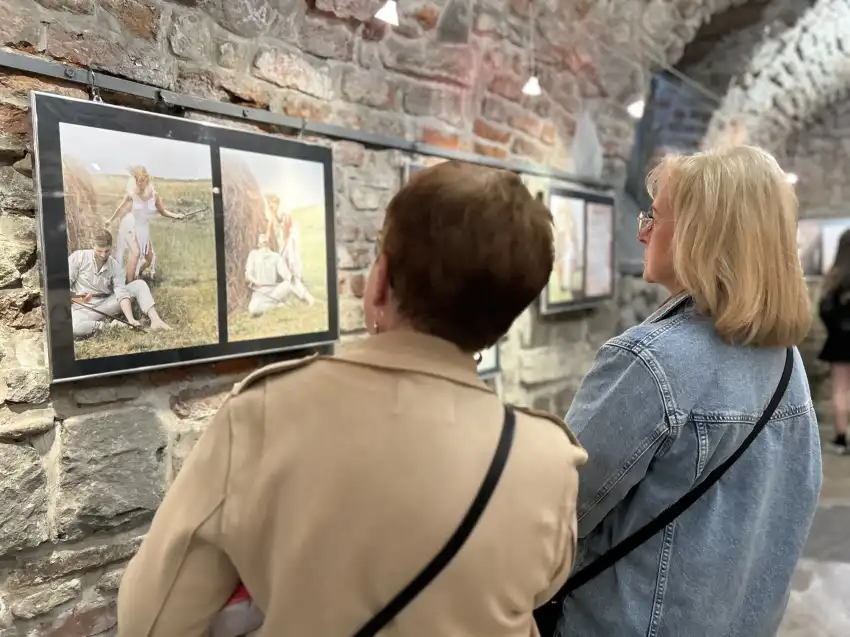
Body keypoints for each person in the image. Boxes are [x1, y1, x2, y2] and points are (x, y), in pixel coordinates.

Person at [116, 161, 588, 636]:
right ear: (503, 322)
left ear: (380, 280)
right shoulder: (549, 459)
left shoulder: (265, 413)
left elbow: (151, 621)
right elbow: (535, 590)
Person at [556, 146, 821, 636]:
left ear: (701, 236)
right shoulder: (786, 361)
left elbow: (555, 513)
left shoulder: (650, 363)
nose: (643, 232)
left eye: (655, 218)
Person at [69, 228, 171, 337]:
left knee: (139, 285)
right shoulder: (78, 258)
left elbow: (121, 294)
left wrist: (131, 319)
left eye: (107, 251)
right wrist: (78, 297)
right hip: (82, 309)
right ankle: (110, 326)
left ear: (111, 247)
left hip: (105, 305)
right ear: (92, 245)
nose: (103, 255)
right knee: (73, 326)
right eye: (99, 251)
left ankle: (156, 321)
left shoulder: (115, 266)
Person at [108, 165, 186, 283]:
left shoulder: (154, 195)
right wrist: (110, 220)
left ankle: (136, 273)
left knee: (149, 258)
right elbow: (120, 208)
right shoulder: (132, 194)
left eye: (141, 180)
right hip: (131, 225)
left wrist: (176, 216)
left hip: (143, 228)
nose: (139, 183)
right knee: (135, 253)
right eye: (137, 180)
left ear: (146, 179)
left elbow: (162, 211)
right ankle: (129, 283)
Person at [818, 228, 850, 454]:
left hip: (839, 340)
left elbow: (824, 310)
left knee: (840, 389)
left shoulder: (834, 277)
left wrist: (836, 329)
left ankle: (841, 438)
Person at [244, 233, 313, 317]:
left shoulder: (276, 257)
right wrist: (254, 281)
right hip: (260, 293)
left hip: (274, 291)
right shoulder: (253, 255)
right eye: (261, 238)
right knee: (253, 309)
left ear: (269, 243)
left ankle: (310, 299)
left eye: (265, 239)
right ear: (258, 244)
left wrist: (290, 277)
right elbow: (248, 274)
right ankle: (277, 306)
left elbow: (285, 273)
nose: (263, 237)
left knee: (291, 282)